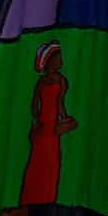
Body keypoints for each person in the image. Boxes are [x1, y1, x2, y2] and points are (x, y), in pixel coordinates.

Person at [20, 41, 76, 205]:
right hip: (44, 123)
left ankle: (48, 195)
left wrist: (64, 119)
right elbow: (34, 103)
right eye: (58, 58)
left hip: (52, 124)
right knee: (38, 158)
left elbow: (60, 103)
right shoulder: (42, 81)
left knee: (51, 159)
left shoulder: (61, 80)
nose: (61, 61)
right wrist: (38, 120)